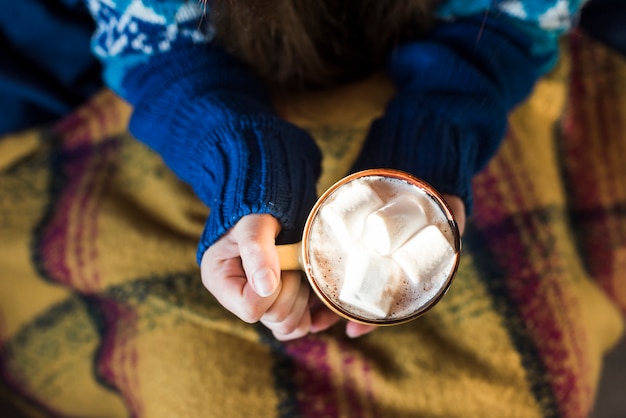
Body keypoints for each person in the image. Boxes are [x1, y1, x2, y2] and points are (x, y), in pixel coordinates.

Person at [76, 0, 590, 341]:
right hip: (219, 70)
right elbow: (154, 53)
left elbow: (515, 25)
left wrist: (437, 126)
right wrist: (244, 157)